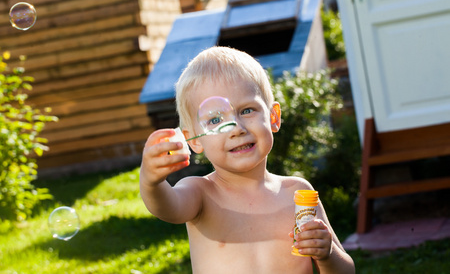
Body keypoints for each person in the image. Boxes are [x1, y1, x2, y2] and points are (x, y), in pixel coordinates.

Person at [140, 46, 355, 273]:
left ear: (273, 117)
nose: (236, 129)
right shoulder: (200, 193)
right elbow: (167, 207)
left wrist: (327, 254)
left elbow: (345, 271)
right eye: (215, 120)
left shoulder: (297, 193)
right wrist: (151, 182)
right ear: (194, 140)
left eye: (246, 111)